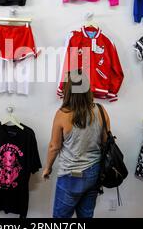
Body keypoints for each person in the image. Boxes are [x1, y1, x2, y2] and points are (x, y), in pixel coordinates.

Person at [42, 70, 109, 218]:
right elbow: (106, 141)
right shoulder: (100, 110)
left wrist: (48, 168)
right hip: (95, 172)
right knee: (86, 215)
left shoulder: (63, 114)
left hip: (71, 174)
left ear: (67, 90)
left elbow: (54, 146)